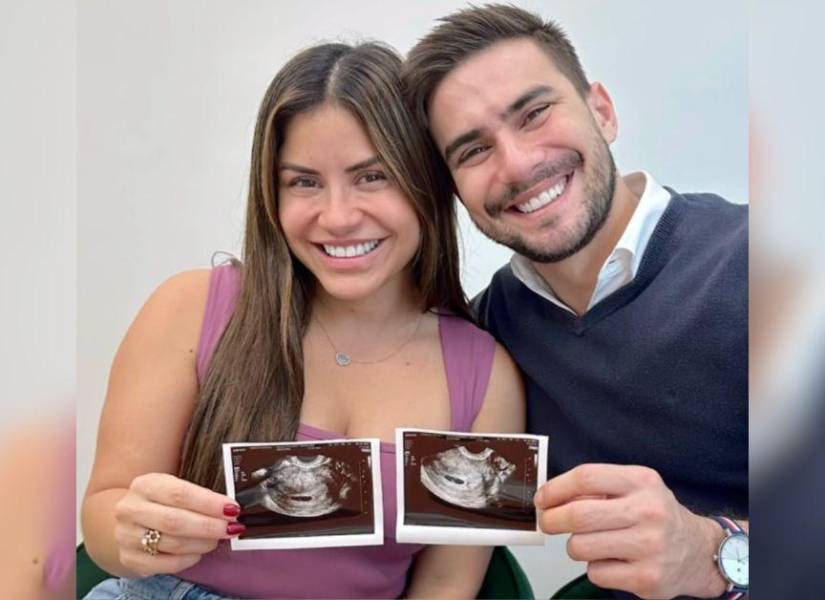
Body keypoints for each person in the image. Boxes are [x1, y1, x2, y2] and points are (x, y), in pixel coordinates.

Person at [81, 41, 524, 599]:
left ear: (427, 183)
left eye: (373, 176)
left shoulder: (487, 380)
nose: (337, 217)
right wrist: (140, 534)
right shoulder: (189, 308)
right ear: (272, 192)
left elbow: (446, 587)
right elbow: (102, 523)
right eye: (304, 182)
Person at [404, 5, 747, 599]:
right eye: (473, 151)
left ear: (602, 112)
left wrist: (712, 555)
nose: (518, 164)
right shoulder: (488, 337)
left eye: (534, 114)